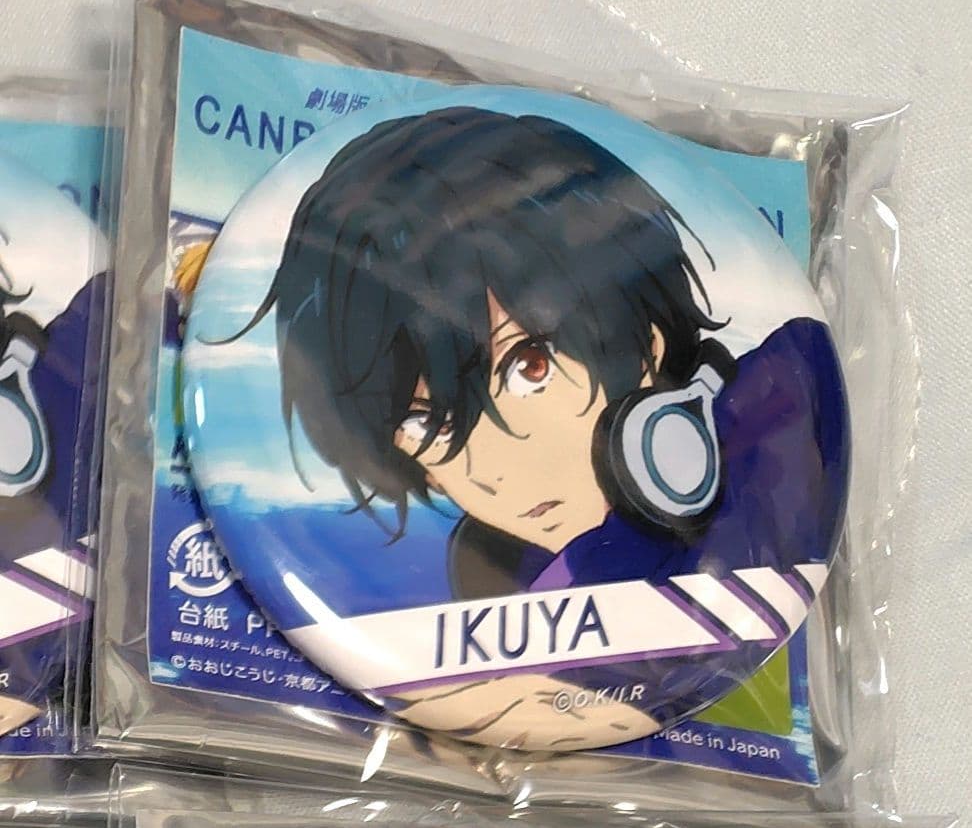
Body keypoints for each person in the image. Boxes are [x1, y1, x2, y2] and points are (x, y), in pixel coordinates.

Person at [242, 105, 848, 608]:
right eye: (424, 423)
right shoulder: (503, 579)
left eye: (529, 367)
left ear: (649, 337)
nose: (496, 470)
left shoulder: (786, 409)